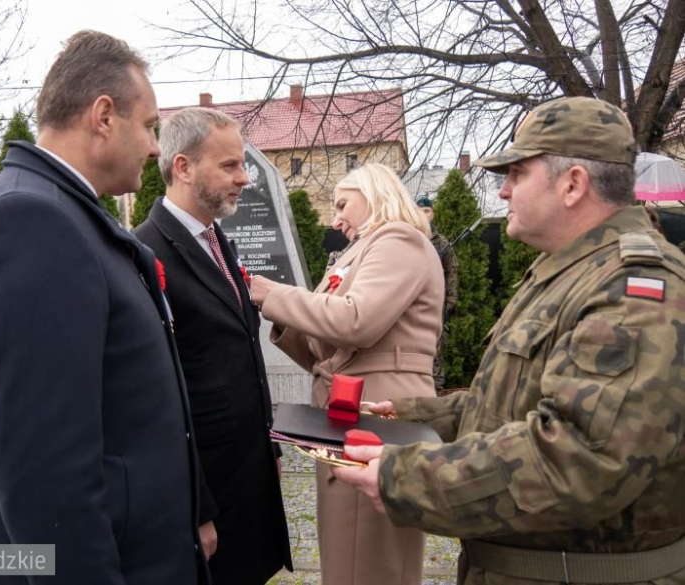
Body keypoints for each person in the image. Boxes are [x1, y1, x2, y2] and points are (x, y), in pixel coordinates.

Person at [333, 97, 685, 584]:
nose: (502, 191)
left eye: (517, 174)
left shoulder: (633, 289)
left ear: (572, 184)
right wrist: (411, 417)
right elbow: (519, 403)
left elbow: (582, 457)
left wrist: (405, 476)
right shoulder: (571, 270)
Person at [0, 31, 208, 585]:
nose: (155, 148)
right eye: (149, 126)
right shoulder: (27, 222)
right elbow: (46, 476)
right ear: (103, 116)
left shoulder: (64, 213)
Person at [250, 163, 445, 585]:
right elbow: (328, 351)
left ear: (374, 192)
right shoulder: (367, 248)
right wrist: (278, 313)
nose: (336, 220)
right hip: (352, 414)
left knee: (368, 562)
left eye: (342, 204)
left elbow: (357, 321)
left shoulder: (398, 240)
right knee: (350, 557)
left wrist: (276, 294)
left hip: (375, 416)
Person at [133, 107, 292, 585]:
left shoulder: (217, 239)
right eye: (229, 166)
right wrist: (195, 506)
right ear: (183, 167)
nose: (244, 178)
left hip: (247, 474)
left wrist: (268, 450)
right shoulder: (147, 252)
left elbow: (238, 354)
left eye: (242, 164)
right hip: (208, 491)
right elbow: (156, 399)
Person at [415, 195, 458, 392]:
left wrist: (450, 302)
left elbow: (452, 273)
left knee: (435, 350)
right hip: (413, 301)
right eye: (419, 211)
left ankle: (436, 393)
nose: (423, 215)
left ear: (432, 214)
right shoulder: (410, 239)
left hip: (435, 303)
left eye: (427, 211)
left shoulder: (442, 243)